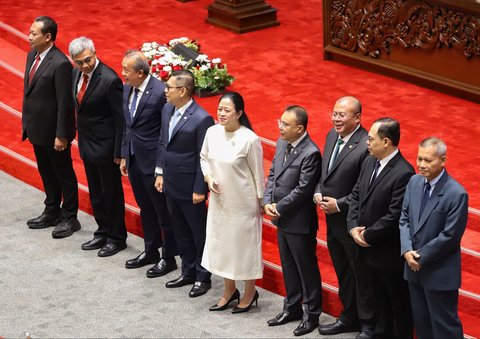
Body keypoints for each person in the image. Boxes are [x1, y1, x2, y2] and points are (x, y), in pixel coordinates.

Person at [347, 118, 414, 339]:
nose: (367, 142)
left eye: (371, 139)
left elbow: (394, 215)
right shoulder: (369, 161)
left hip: (386, 252)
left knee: (395, 302)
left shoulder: (404, 172)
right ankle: (379, 332)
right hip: (364, 246)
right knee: (375, 297)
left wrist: (367, 234)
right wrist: (353, 227)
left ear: (386, 142)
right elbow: (356, 195)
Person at [200, 92, 265, 313]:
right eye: (220, 109)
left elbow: (258, 174)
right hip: (220, 202)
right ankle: (229, 290)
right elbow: (204, 158)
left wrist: (262, 202)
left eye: (227, 110)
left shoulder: (250, 139)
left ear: (239, 113)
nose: (222, 113)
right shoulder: (212, 132)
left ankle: (249, 291)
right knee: (223, 247)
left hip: (243, 204)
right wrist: (209, 178)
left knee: (243, 248)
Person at [400, 137, 468, 339]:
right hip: (412, 268)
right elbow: (404, 218)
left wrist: (419, 257)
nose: (421, 165)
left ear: (443, 160)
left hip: (439, 271)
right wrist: (406, 250)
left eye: (428, 160)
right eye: (419, 159)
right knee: (422, 324)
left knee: (444, 327)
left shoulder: (457, 194)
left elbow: (450, 236)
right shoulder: (414, 182)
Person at [263, 106, 322, 337]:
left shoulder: (311, 152)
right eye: (280, 121)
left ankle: (312, 314)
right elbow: (273, 175)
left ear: (300, 128)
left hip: (299, 222)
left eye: (285, 124)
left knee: (306, 269)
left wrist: (279, 207)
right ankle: (292, 308)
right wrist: (267, 201)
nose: (280, 127)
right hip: (281, 218)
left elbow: (304, 189)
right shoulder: (281, 143)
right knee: (288, 266)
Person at [155, 70, 215, 298]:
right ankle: (187, 270)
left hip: (191, 187)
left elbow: (205, 156)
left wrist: (200, 188)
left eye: (169, 87)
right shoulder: (167, 108)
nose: (165, 90)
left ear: (183, 91)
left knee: (198, 234)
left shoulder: (202, 118)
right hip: (170, 182)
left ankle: (202, 276)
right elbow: (163, 142)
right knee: (180, 230)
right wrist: (160, 172)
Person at [313, 96, 368, 335]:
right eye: (334, 113)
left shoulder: (366, 144)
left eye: (342, 115)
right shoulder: (331, 135)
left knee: (360, 274)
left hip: (352, 222)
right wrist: (317, 191)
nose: (336, 118)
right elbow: (325, 173)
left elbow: (365, 189)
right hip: (332, 222)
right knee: (343, 272)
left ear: (357, 118)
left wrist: (340, 205)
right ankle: (349, 316)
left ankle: (368, 323)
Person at [68, 37, 127, 256]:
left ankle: (116, 236)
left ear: (94, 52)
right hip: (87, 143)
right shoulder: (76, 74)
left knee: (110, 193)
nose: (84, 65)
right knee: (95, 193)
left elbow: (120, 119)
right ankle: (102, 230)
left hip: (107, 146)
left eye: (88, 60)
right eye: (79, 62)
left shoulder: (109, 79)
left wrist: (119, 152)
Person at [22, 16, 80, 238]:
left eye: (34, 34)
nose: (29, 37)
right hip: (36, 129)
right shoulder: (32, 55)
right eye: (29, 32)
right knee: (46, 172)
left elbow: (64, 103)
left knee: (63, 173)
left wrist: (61, 134)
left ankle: (70, 217)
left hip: (54, 133)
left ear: (48, 37)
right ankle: (52, 209)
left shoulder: (61, 63)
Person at [120, 50, 177, 273]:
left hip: (154, 163)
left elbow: (166, 133)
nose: (122, 73)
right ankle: (151, 249)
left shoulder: (160, 93)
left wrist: (161, 167)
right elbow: (128, 125)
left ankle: (169, 257)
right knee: (146, 208)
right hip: (134, 159)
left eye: (126, 70)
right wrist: (125, 154)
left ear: (141, 72)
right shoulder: (127, 89)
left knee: (163, 212)